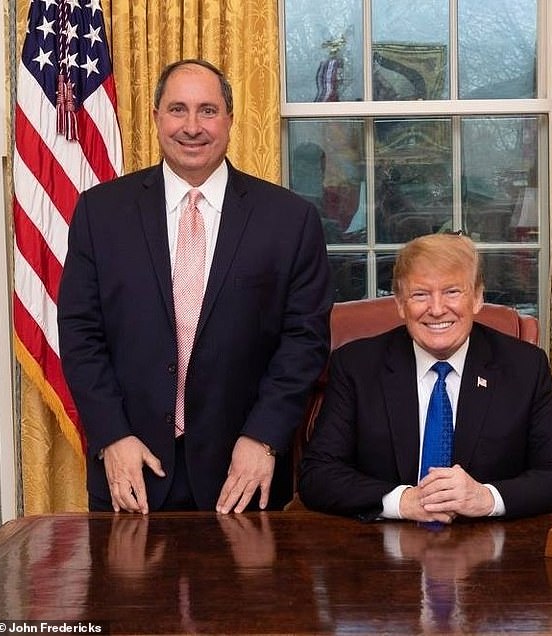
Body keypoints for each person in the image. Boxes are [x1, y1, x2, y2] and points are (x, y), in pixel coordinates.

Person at [58, 59, 332, 514]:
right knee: (124, 589)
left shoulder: (289, 219)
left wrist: (264, 437)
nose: (191, 127)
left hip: (243, 472)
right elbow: (80, 332)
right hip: (132, 468)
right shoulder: (99, 213)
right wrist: (111, 435)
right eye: (177, 109)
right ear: (155, 117)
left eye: (207, 110)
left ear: (230, 119)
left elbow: (304, 340)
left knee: (249, 589)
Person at [298, 233, 552, 522]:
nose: (436, 310)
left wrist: (486, 498)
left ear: (477, 298)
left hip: (492, 549)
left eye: (452, 292)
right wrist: (402, 501)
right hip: (381, 546)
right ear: (400, 303)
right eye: (420, 294)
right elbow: (318, 475)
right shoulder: (356, 366)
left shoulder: (524, 367)